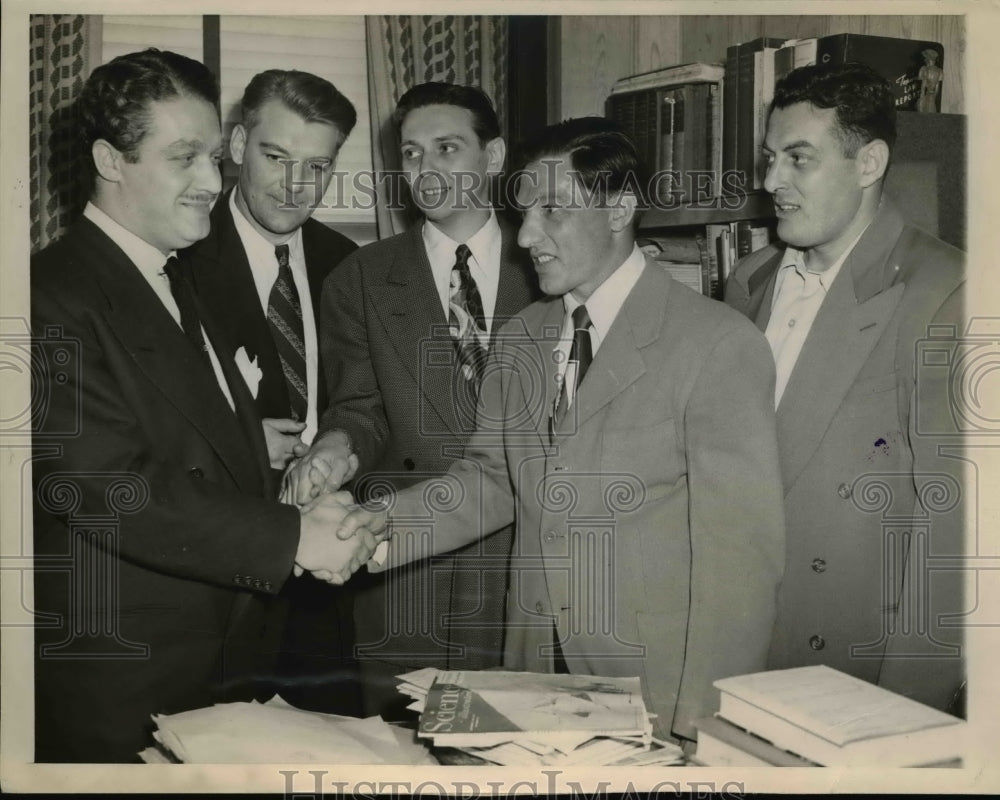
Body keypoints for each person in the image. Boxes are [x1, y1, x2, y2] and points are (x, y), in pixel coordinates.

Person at [318, 117, 786, 744]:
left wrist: (704, 725)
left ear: (619, 208)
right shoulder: (521, 337)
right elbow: (492, 482)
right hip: (534, 669)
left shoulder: (718, 344)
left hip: (658, 685)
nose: (527, 235)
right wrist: (377, 527)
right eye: (524, 212)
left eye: (552, 211)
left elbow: (741, 565)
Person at [30, 48, 375, 762]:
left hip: (214, 668)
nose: (213, 183)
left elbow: (198, 438)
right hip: (123, 686)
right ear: (110, 160)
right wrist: (294, 537)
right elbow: (108, 486)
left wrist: (311, 489)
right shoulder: (46, 296)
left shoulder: (170, 275)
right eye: (184, 158)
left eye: (213, 159)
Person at [285, 81, 539, 717]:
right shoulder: (361, 277)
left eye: (447, 148)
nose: (426, 169)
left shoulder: (548, 266)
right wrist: (334, 447)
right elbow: (358, 406)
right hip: (403, 563)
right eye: (411, 152)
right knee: (403, 744)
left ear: (493, 156)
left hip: (526, 560)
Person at [725, 62, 965, 713]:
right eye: (770, 158)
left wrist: (908, 717)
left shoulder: (947, 293)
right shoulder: (748, 281)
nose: (771, 181)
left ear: (869, 163)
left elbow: (956, 540)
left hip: (849, 678)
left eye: (799, 159)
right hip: (735, 653)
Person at [182, 69, 360, 715]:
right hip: (212, 571)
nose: (294, 185)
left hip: (326, 573)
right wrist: (237, 442)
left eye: (317, 166)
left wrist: (341, 444)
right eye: (276, 157)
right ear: (236, 145)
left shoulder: (348, 261)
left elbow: (363, 396)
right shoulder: (176, 255)